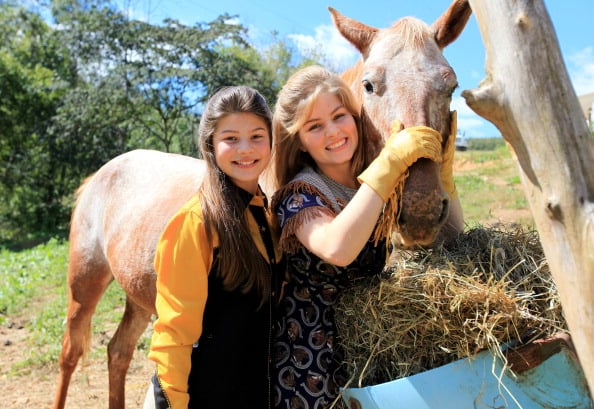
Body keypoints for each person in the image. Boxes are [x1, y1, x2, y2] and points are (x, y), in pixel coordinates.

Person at [270, 65, 449, 408]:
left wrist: (441, 174)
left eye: (339, 116)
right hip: (309, 363)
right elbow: (338, 248)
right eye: (315, 126)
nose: (333, 132)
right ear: (301, 142)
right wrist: (392, 161)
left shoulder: (368, 182)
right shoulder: (300, 195)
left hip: (365, 351)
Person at [144, 85, 285, 409]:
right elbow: (174, 336)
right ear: (210, 144)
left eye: (257, 136)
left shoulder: (265, 213)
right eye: (231, 138)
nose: (245, 149)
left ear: (271, 141)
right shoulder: (195, 223)